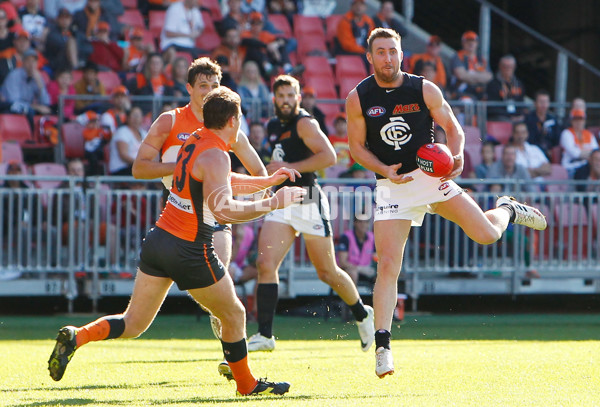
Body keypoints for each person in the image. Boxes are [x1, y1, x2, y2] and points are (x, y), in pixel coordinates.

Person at [47, 86, 304, 397]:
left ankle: (78, 336)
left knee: (133, 323)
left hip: (158, 241)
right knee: (234, 314)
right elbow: (224, 208)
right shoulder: (218, 154)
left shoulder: (194, 139)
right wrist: (274, 203)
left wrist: (266, 181)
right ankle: (247, 385)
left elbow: (219, 180)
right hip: (190, 249)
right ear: (233, 121)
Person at [345, 28, 547, 378]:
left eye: (392, 51)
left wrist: (456, 156)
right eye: (380, 52)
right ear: (370, 57)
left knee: (486, 235)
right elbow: (356, 148)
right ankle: (383, 347)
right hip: (392, 185)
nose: (387, 58)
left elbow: (454, 128)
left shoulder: (423, 87)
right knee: (388, 266)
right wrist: (382, 169)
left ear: (401, 53)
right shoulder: (358, 97)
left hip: (431, 178)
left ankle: (508, 209)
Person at [247, 74, 375, 353]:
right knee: (265, 264)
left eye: (290, 95)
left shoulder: (304, 122)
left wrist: (287, 166)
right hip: (284, 201)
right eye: (281, 96)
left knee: (327, 272)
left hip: (309, 198)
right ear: (274, 99)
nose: (285, 101)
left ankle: (362, 314)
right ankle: (265, 334)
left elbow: (328, 157)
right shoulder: (272, 125)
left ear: (299, 97)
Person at [449, 30, 492, 101]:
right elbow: (461, 75)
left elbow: (489, 77)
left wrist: (470, 76)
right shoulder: (458, 56)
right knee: (467, 101)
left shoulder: (481, 59)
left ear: (477, 43)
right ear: (463, 43)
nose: (471, 43)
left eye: (473, 41)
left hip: (479, 91)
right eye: (468, 41)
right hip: (461, 92)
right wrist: (479, 77)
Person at [337, 216, 376, 286]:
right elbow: (342, 262)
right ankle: (353, 297)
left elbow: (377, 257)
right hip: (348, 270)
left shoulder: (372, 238)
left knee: (382, 275)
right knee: (353, 273)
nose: (363, 224)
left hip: (367, 270)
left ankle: (378, 297)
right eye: (360, 222)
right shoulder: (346, 237)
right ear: (355, 223)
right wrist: (359, 268)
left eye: (366, 222)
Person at [486, 54, 525, 121]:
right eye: (505, 66)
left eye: (510, 66)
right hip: (500, 117)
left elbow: (521, 103)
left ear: (514, 67)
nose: (507, 69)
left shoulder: (518, 84)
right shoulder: (492, 84)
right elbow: (491, 107)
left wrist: (520, 115)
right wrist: (509, 117)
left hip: (516, 117)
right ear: (500, 66)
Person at [109, 106, 146, 176]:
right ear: (128, 118)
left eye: (138, 116)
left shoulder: (144, 133)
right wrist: (142, 164)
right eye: (134, 116)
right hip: (121, 169)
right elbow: (123, 155)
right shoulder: (122, 132)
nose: (136, 119)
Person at [524, 89, 561, 159]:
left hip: (550, 153)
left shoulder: (553, 120)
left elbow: (557, 139)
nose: (543, 104)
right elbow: (528, 140)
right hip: (532, 153)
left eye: (545, 102)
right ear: (535, 103)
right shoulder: (528, 119)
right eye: (541, 102)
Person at [560, 108, 599, 174]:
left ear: (584, 121)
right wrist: (589, 154)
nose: (578, 122)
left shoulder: (589, 134)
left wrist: (582, 153)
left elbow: (596, 152)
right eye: (576, 119)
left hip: (588, 167)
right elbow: (575, 154)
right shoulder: (566, 133)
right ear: (571, 121)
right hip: (571, 167)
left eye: (581, 119)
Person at [335, 0, 374, 65]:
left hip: (363, 53)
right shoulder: (345, 21)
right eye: (356, 4)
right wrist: (364, 51)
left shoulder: (368, 21)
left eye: (361, 4)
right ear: (351, 6)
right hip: (347, 53)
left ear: (365, 7)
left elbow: (372, 39)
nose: (358, 7)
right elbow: (347, 45)